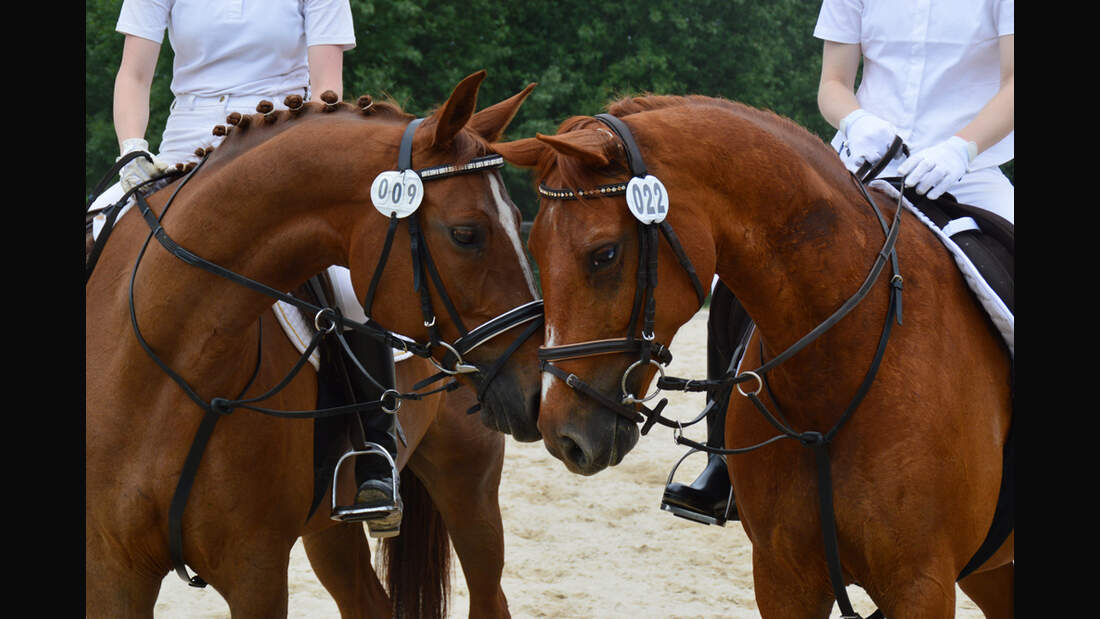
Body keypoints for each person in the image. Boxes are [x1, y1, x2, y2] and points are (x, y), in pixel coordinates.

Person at [91, 0, 404, 537]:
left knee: (351, 286)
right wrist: (131, 150)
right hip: (185, 148)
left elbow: (327, 88)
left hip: (281, 140)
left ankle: (377, 449)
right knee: (93, 234)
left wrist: (302, 161)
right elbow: (135, 71)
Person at [814, 0, 1014, 224]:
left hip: (967, 178)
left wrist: (960, 149)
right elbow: (834, 82)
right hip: (863, 166)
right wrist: (855, 121)